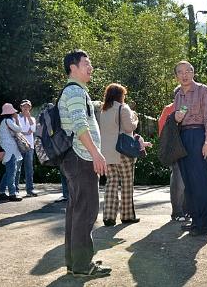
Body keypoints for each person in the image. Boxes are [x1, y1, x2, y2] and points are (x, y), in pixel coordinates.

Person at [58, 49, 111, 277]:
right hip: (81, 158)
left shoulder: (75, 91)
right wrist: (96, 154)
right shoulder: (75, 92)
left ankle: (75, 263)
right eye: (86, 63)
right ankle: (82, 265)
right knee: (86, 211)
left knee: (76, 210)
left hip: (74, 157)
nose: (90, 67)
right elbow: (80, 125)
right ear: (73, 67)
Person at [173, 60, 207, 236]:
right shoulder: (177, 94)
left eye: (187, 71)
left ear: (193, 72)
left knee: (200, 182)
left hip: (198, 136)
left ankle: (205, 224)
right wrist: (176, 117)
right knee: (188, 183)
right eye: (180, 72)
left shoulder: (202, 90)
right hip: (182, 137)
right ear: (176, 76)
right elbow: (176, 121)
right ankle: (195, 221)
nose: (184, 75)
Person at [99, 83, 146, 226]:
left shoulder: (103, 110)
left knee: (111, 183)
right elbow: (129, 127)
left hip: (106, 152)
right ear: (120, 95)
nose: (124, 97)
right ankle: (126, 215)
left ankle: (108, 216)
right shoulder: (123, 108)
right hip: (123, 151)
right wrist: (135, 118)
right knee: (126, 183)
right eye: (124, 94)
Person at [159, 102, 188, 221]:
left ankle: (185, 210)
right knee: (178, 180)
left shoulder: (191, 105)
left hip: (188, 148)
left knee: (186, 181)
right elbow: (162, 129)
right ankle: (177, 211)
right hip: (175, 150)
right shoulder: (169, 108)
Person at [0, 103, 24, 202]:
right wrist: (17, 120)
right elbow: (19, 129)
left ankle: (1, 192)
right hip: (10, 150)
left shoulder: (4, 121)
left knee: (8, 172)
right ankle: (12, 193)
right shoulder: (8, 121)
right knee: (12, 172)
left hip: (7, 149)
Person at [15, 99, 37, 197]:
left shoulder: (32, 118)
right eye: (24, 106)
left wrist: (28, 118)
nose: (26, 108)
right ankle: (15, 190)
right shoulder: (16, 117)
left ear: (30, 108)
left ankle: (30, 190)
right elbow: (16, 130)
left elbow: (33, 129)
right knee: (17, 168)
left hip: (30, 146)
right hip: (18, 145)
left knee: (29, 169)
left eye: (28, 106)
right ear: (20, 107)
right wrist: (24, 132)